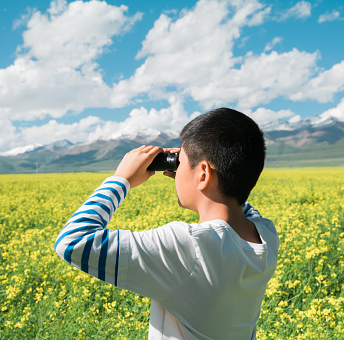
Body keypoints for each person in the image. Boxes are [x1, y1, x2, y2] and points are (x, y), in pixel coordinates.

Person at [54, 108, 279, 339]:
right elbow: (238, 201)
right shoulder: (266, 234)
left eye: (179, 163)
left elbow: (72, 242)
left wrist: (121, 179)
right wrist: (191, 173)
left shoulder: (189, 247)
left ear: (203, 174)